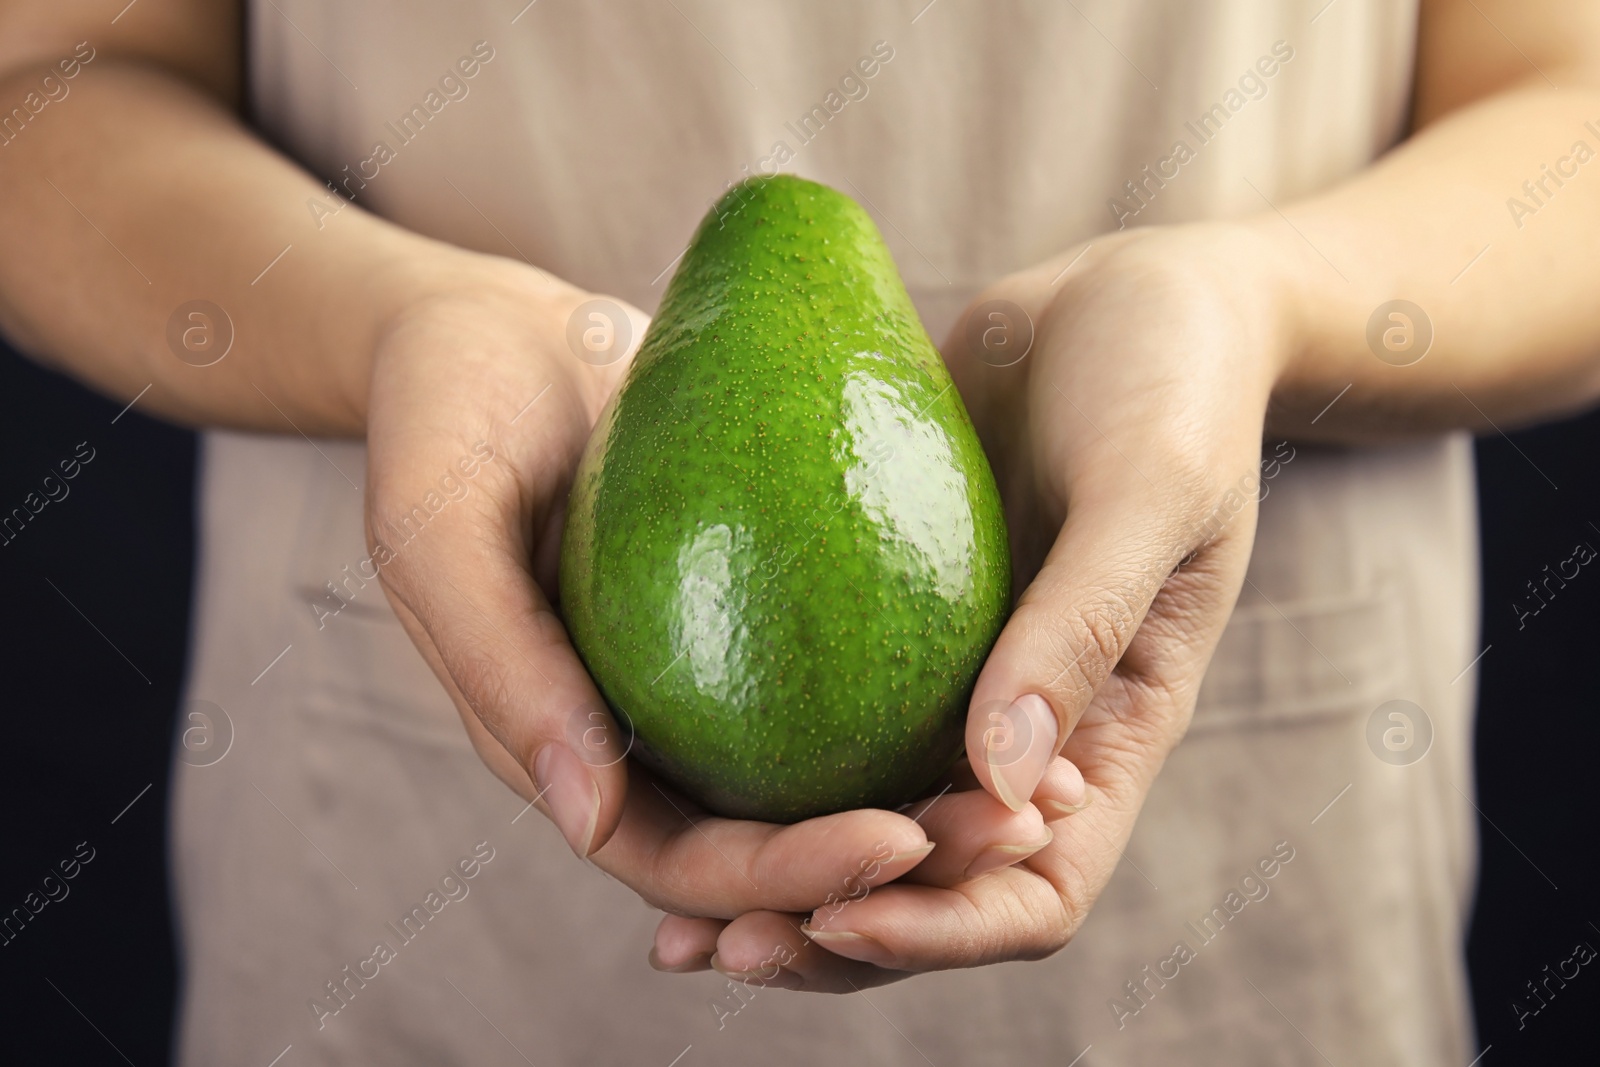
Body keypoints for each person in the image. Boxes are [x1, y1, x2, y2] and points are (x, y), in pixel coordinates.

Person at [2, 0, 1598, 1062]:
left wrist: (1251, 312)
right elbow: (43, 93)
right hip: (425, 899)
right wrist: (395, 327)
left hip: (1243, 888)